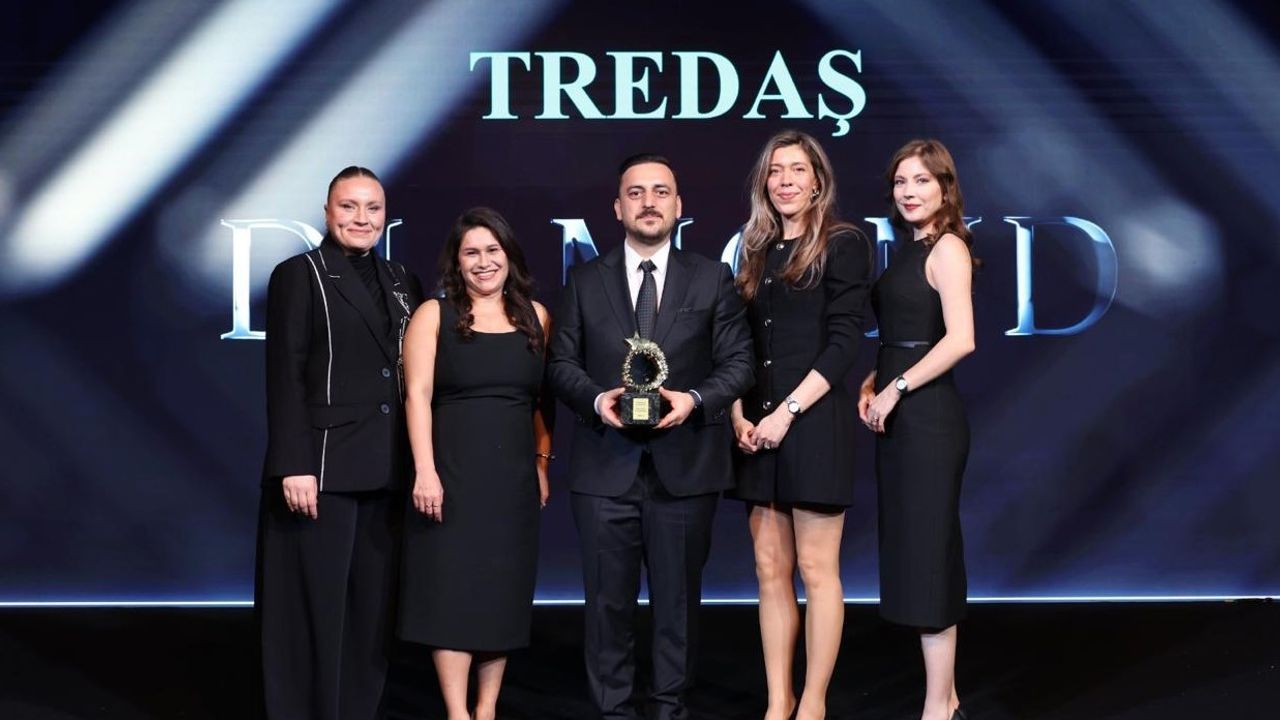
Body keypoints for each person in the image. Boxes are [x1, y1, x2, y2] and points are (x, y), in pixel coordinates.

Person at [548, 154, 754, 720]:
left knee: (678, 608)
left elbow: (739, 362)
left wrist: (695, 400)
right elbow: (560, 363)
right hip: (604, 469)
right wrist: (597, 400)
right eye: (636, 192)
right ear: (617, 208)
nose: (649, 202)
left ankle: (669, 710)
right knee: (605, 607)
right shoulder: (584, 280)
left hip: (685, 470)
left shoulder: (711, 277)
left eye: (661, 191)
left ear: (678, 206)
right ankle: (613, 712)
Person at [257, 165, 424, 720]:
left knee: (370, 615)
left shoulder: (402, 280)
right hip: (322, 471)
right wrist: (293, 463)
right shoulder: (298, 274)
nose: (361, 218)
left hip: (389, 469)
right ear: (328, 212)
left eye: (372, 208)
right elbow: (286, 373)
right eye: (349, 206)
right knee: (315, 610)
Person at [730, 130, 873, 720]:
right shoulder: (756, 250)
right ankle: (778, 701)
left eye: (796, 169)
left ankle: (812, 703)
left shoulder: (843, 243)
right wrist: (738, 413)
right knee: (769, 570)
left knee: (816, 569)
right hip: (756, 429)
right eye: (775, 170)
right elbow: (739, 344)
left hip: (811, 424)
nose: (785, 180)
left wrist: (787, 413)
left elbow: (843, 344)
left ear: (818, 181)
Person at [397, 207, 553, 720]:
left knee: (500, 593)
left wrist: (541, 463)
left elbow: (541, 402)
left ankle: (486, 709)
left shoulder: (536, 317)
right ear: (456, 262)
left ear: (509, 256)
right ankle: (457, 712)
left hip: (512, 483)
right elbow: (417, 396)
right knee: (452, 592)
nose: (483, 262)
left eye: (492, 250)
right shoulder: (433, 315)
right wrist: (425, 471)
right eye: (472, 253)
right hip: (451, 475)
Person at [859, 139, 976, 720]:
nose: (908, 191)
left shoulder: (948, 247)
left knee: (929, 559)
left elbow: (961, 339)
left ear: (945, 188)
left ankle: (937, 707)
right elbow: (904, 336)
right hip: (902, 420)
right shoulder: (912, 248)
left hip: (928, 421)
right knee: (915, 556)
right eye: (901, 181)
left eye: (922, 180)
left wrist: (896, 387)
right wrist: (872, 381)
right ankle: (946, 698)